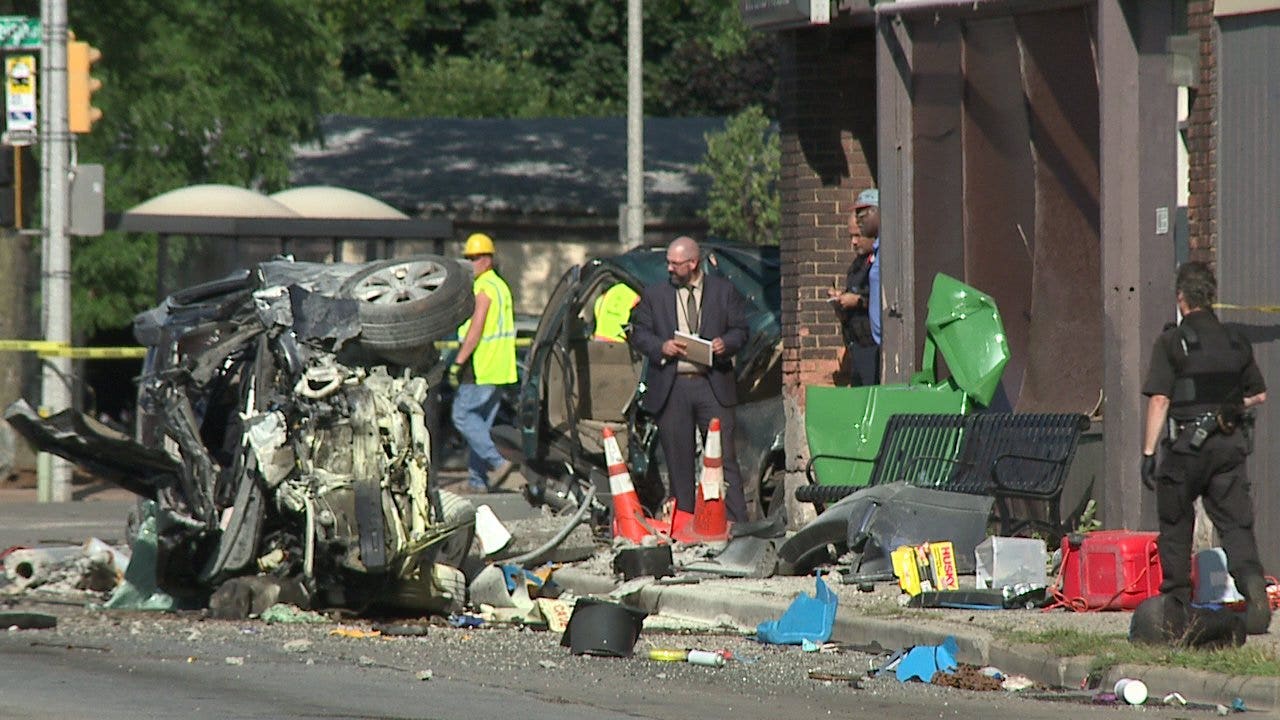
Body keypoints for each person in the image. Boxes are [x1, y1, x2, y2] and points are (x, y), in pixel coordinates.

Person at [1141, 261, 1270, 636]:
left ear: (1181, 298)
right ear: (1211, 298)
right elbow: (1258, 394)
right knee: (1236, 523)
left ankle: (1177, 605)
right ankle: (1253, 588)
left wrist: (1149, 454)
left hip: (1186, 450)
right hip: (1228, 446)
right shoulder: (1236, 342)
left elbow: (1160, 400)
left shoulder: (1173, 342)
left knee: (1177, 521)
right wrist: (1227, 410)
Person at [629, 236, 750, 529]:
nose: (669, 268)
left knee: (723, 457)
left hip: (712, 383)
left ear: (693, 263)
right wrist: (662, 346)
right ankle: (685, 523)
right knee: (678, 459)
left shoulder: (723, 291)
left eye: (675, 263)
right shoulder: (656, 295)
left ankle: (734, 522)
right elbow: (638, 332)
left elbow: (741, 330)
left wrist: (725, 343)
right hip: (674, 386)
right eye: (668, 262)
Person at [449, 232, 518, 492]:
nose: (471, 263)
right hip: (500, 368)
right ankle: (478, 481)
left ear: (488, 259)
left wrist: (458, 361)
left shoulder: (484, 288)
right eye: (467, 258)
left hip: (482, 365)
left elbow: (475, 330)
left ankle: (499, 463)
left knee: (463, 416)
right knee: (481, 426)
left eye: (475, 258)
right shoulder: (501, 286)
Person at [828, 191, 880, 385]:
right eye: (851, 236)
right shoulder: (856, 267)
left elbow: (884, 301)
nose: (854, 242)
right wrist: (840, 303)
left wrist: (858, 301)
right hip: (857, 347)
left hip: (874, 348)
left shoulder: (881, 261)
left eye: (858, 235)